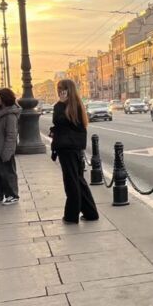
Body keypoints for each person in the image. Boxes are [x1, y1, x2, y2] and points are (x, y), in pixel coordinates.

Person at [50, 79, 99, 224]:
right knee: (78, 180)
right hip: (73, 147)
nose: (60, 92)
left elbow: (59, 120)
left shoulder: (67, 106)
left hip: (68, 148)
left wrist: (60, 103)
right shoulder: (76, 105)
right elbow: (67, 125)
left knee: (71, 181)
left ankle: (71, 216)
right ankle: (90, 212)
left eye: (62, 89)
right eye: (58, 89)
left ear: (68, 90)